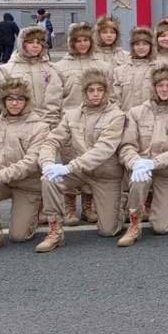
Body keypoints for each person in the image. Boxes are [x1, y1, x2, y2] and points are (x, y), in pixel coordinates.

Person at [37, 68, 127, 249]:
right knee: (49, 179)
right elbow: (52, 140)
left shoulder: (117, 116)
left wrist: (69, 167)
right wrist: (47, 163)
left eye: (100, 90)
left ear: (106, 91)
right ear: (84, 92)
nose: (95, 94)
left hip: (105, 175)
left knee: (108, 230)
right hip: (80, 173)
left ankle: (120, 203)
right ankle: (55, 230)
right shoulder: (71, 115)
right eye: (91, 90)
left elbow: (103, 149)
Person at [115, 65, 168, 247]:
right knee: (139, 179)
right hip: (141, 169)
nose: (164, 89)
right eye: (160, 85)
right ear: (153, 87)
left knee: (162, 228)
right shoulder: (135, 113)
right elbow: (126, 145)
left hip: (165, 172)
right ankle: (134, 223)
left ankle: (153, 205)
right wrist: (136, 163)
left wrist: (154, 163)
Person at [0, 78, 49, 252]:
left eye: (20, 99)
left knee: (19, 237)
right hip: (1, 182)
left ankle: (38, 205)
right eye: (10, 99)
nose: (14, 103)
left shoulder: (40, 127)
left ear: (27, 101)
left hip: (28, 185)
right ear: (3, 101)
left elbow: (32, 162)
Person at [54, 21, 109, 225]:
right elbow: (55, 98)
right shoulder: (59, 67)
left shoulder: (102, 66)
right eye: (78, 40)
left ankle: (88, 206)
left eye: (86, 40)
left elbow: (112, 95)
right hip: (70, 123)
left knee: (91, 164)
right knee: (70, 164)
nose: (83, 44)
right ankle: (69, 207)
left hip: (96, 121)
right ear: (72, 42)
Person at [0, 25, 63, 127]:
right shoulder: (7, 70)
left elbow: (54, 98)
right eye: (30, 42)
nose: (35, 46)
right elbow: (4, 100)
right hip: (18, 124)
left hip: (48, 123)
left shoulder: (52, 68)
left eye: (39, 42)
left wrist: (49, 122)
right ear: (22, 44)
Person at [113, 26, 158, 112]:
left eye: (145, 44)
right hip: (127, 117)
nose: (141, 47)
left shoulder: (159, 69)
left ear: (151, 46)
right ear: (132, 46)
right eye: (137, 44)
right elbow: (114, 100)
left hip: (152, 117)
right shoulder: (119, 71)